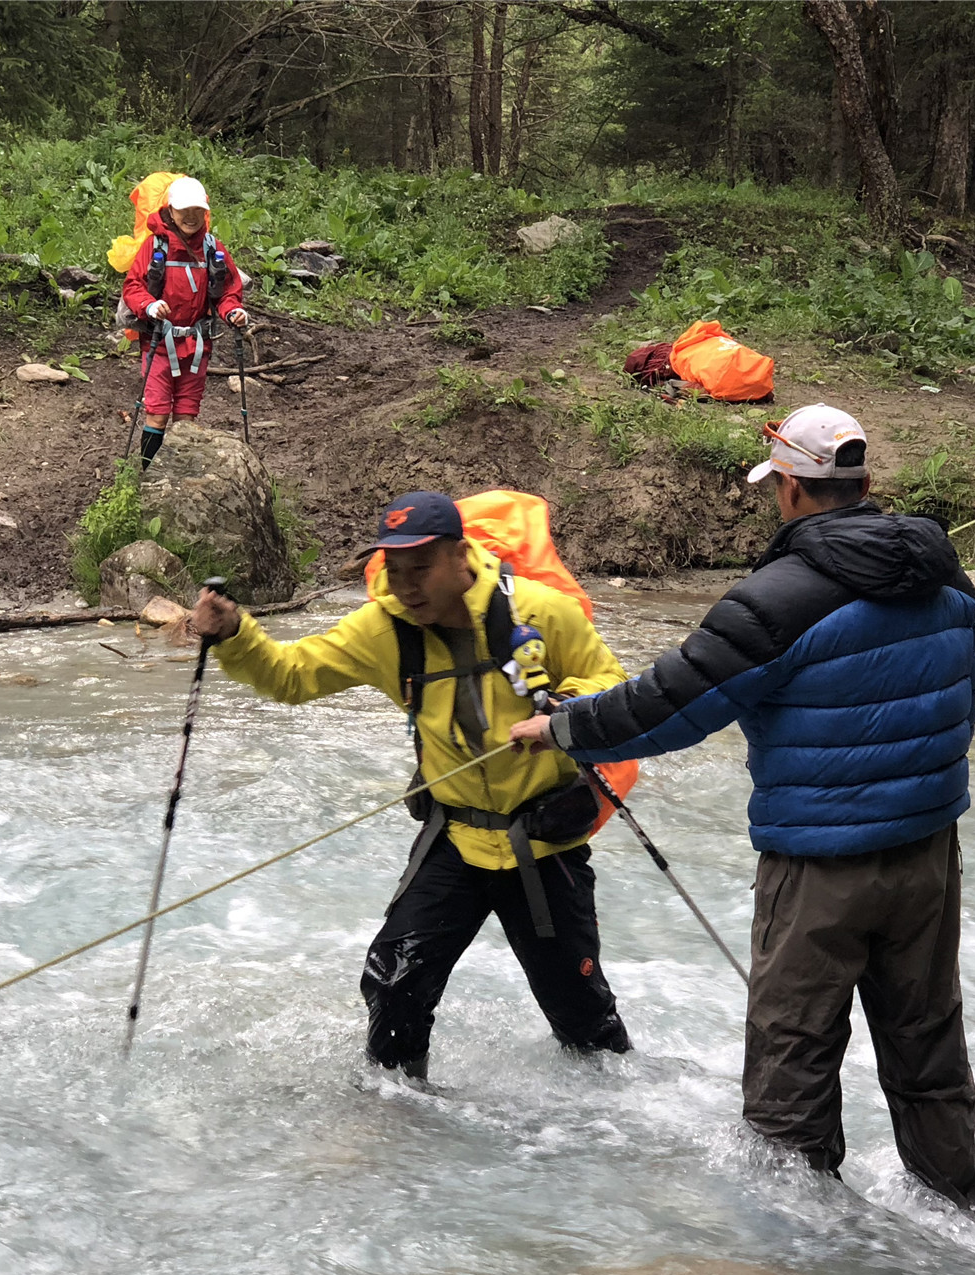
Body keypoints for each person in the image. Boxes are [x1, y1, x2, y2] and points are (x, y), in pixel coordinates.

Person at [510, 405, 975, 1213]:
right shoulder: (945, 572)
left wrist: (564, 728)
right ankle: (966, 1221)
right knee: (928, 1049)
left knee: (790, 1070)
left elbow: (669, 707)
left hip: (818, 868)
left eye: (776, 483)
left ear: (793, 492)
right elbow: (963, 698)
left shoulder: (778, 597)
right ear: (865, 485)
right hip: (929, 856)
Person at [188, 491, 634, 1081]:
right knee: (392, 982)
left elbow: (614, 685)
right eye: (394, 570)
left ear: (458, 556)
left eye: (420, 568)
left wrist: (563, 714)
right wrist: (236, 633)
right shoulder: (384, 631)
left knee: (583, 1020)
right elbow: (292, 676)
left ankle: (607, 1127)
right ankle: (398, 1120)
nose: (406, 585)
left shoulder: (541, 611)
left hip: (544, 843)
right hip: (455, 839)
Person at [121, 176, 248, 467]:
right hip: (158, 345)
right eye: (183, 211)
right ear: (171, 211)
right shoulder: (156, 246)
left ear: (204, 211)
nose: (190, 217)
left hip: (196, 346)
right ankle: (148, 474)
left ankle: (176, 480)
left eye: (196, 210)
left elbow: (228, 290)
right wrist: (149, 306)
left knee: (187, 415)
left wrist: (232, 312)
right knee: (156, 411)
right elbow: (133, 287)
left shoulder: (212, 248)